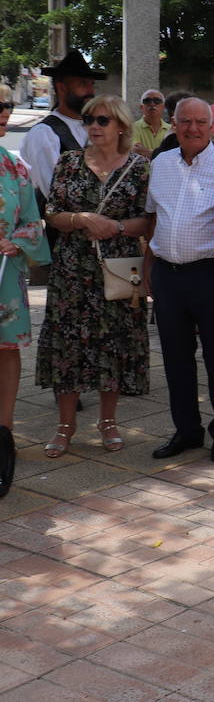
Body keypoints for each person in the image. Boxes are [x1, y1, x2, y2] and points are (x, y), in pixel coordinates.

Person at [37, 95, 152, 458]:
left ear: (120, 125)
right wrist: (83, 219)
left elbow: (148, 220)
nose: (94, 127)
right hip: (72, 270)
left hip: (118, 269)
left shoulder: (138, 168)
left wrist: (114, 226)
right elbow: (52, 213)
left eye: (102, 120)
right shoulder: (69, 163)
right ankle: (65, 426)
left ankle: (108, 422)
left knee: (113, 345)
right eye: (88, 120)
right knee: (68, 347)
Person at [145, 98, 214, 462]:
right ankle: (187, 430)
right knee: (175, 358)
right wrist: (147, 267)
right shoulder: (160, 164)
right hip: (168, 276)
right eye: (185, 121)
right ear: (174, 123)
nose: (192, 128)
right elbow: (154, 219)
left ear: (211, 125)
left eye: (200, 122)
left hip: (211, 276)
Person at [0, 84, 50, 497]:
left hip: (6, 274)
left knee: (8, 349)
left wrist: (19, 239)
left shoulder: (15, 167)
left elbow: (34, 221)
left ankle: (5, 431)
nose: (4, 112)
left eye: (7, 106)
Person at [22, 50, 99, 209]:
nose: (91, 91)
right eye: (83, 84)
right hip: (65, 228)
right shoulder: (44, 134)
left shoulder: (94, 126)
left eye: (92, 84)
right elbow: (54, 194)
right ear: (62, 88)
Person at [130, 89, 170, 158]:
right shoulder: (131, 128)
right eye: (147, 101)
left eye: (157, 101)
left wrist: (145, 151)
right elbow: (136, 150)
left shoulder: (171, 129)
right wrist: (163, 155)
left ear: (163, 107)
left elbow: (173, 156)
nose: (152, 104)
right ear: (141, 107)